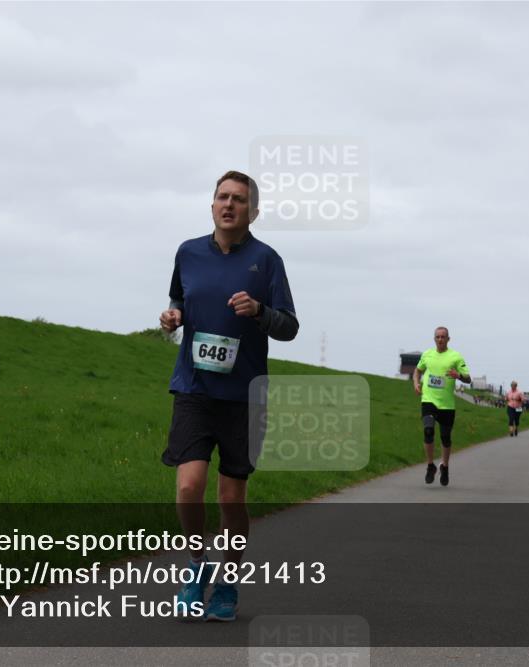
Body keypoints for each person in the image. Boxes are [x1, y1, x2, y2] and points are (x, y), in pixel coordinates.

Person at [159, 170, 299, 621]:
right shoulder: (188, 252)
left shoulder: (267, 260)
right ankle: (197, 568)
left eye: (239, 199)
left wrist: (259, 311)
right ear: (212, 204)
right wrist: (173, 316)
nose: (229, 204)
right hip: (194, 388)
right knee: (187, 486)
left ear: (253, 211)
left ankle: (228, 580)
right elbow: (180, 298)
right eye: (222, 197)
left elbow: (290, 326)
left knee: (231, 500)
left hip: (244, 395)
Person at [412, 327, 471, 486]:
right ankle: (430, 466)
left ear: (448, 339)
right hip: (428, 400)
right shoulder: (427, 354)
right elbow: (417, 371)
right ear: (434, 339)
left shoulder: (455, 357)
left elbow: (468, 378)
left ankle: (444, 467)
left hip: (447, 404)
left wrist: (457, 375)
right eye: (437, 337)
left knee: (445, 438)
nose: (440, 339)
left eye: (443, 337)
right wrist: (416, 384)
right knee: (428, 430)